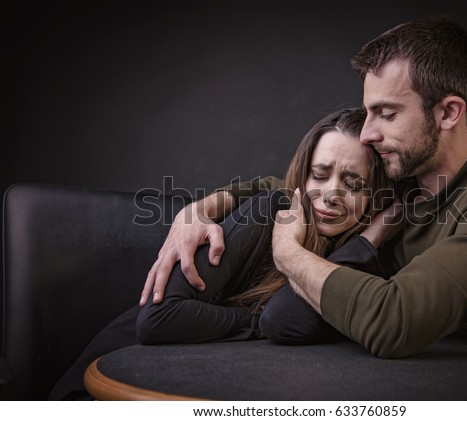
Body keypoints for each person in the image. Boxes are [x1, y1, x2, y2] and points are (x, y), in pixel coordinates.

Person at [140, 15, 467, 377]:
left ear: (448, 112)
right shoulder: (403, 170)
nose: (368, 132)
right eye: (368, 112)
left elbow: (394, 322)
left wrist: (286, 250)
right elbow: (282, 188)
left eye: (386, 112)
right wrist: (196, 210)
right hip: (417, 376)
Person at [47, 107, 395, 399]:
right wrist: (254, 322)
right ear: (302, 178)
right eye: (319, 175)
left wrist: (369, 240)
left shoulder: (353, 262)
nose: (331, 193)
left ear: (375, 197)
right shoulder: (271, 210)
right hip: (106, 384)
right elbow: (158, 320)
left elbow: (284, 319)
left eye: (353, 184)